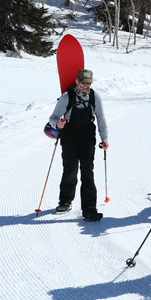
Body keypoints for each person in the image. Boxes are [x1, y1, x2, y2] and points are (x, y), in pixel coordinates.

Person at [47, 68, 109, 221]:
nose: (86, 86)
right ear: (77, 82)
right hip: (69, 136)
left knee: (88, 172)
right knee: (70, 169)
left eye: (89, 83)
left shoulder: (95, 97)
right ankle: (65, 200)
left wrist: (104, 139)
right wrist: (57, 124)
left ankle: (89, 208)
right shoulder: (66, 97)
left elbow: (101, 120)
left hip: (87, 137)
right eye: (83, 83)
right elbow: (53, 118)